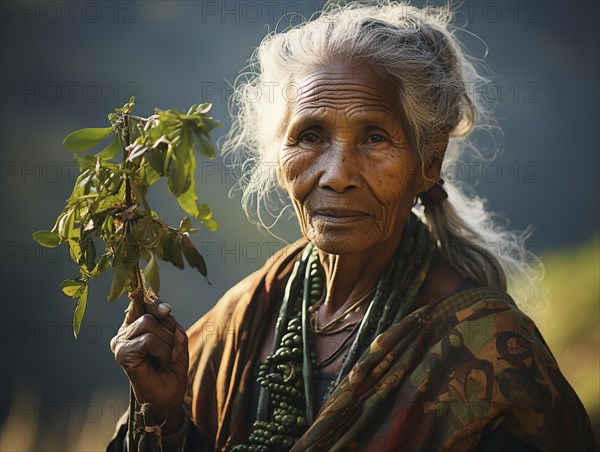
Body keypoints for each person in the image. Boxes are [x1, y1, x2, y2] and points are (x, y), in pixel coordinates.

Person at [107, 1, 599, 451]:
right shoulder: (248, 313)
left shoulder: (487, 358)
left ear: (429, 160)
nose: (338, 173)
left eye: (375, 137)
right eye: (311, 135)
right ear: (280, 159)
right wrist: (164, 414)